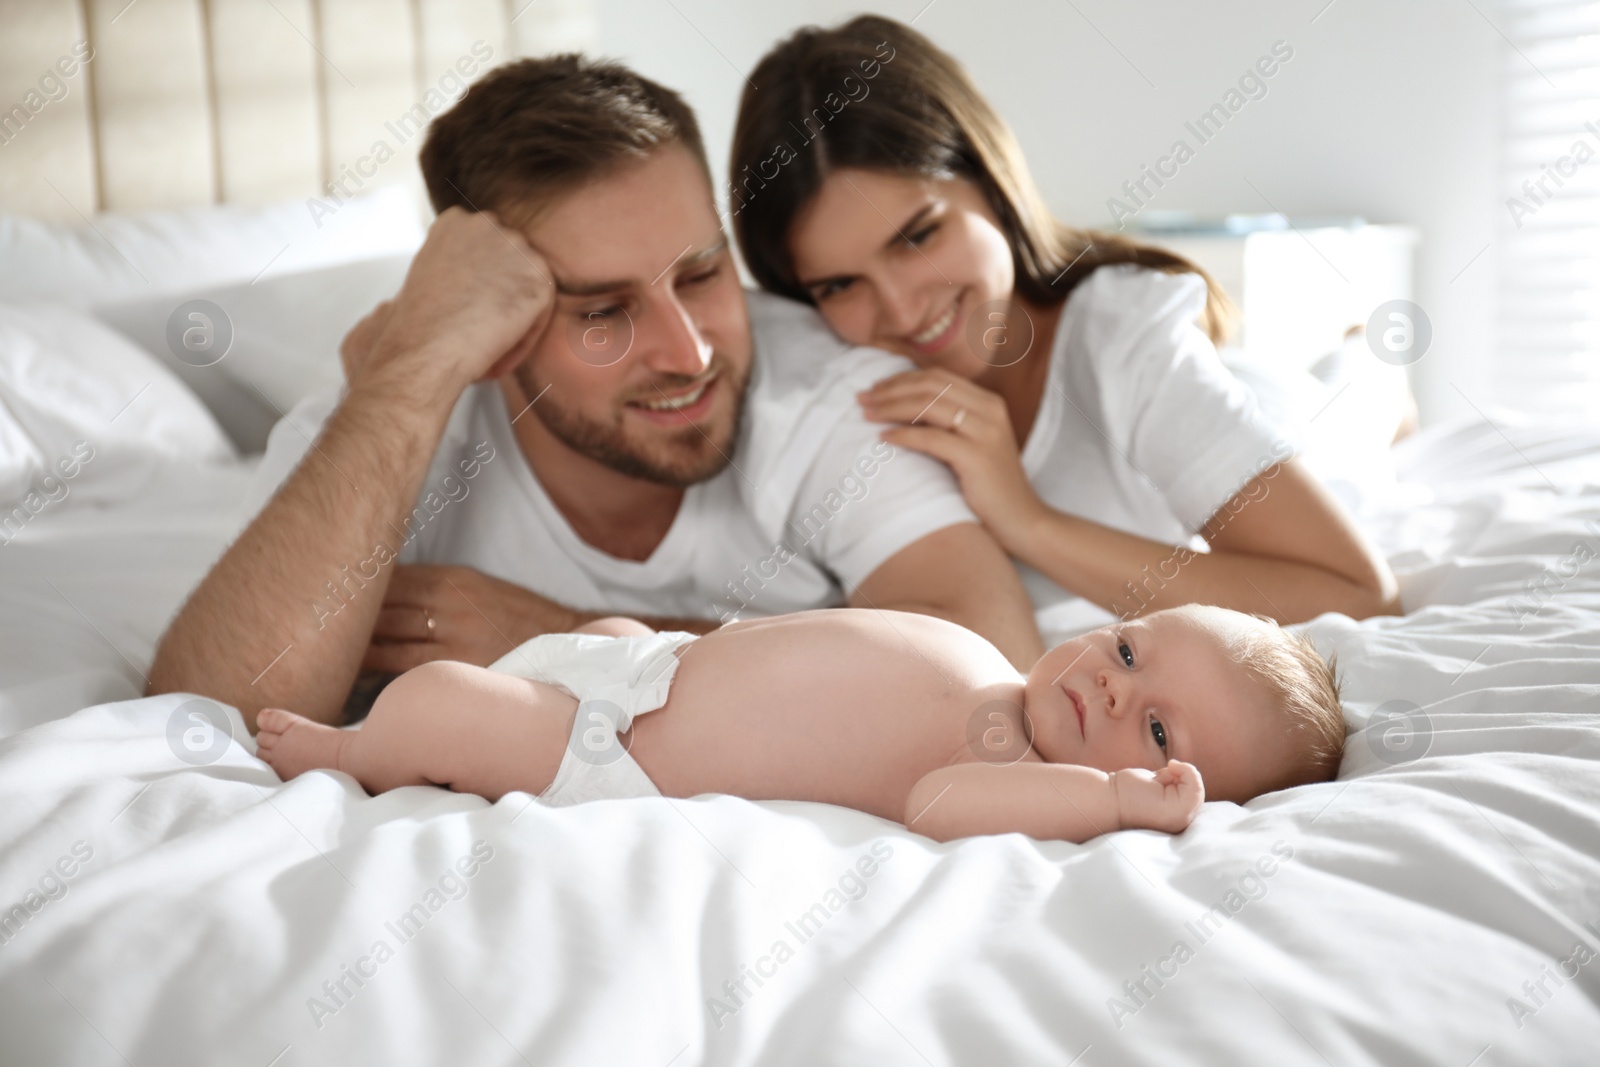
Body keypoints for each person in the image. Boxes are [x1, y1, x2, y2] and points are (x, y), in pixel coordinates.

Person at [146, 56, 1044, 732]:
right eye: (605, 311)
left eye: (699, 275)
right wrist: (412, 372)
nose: (687, 351)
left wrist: (577, 640)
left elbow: (988, 668)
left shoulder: (834, 392)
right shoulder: (389, 422)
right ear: (498, 317)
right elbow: (208, 714)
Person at [727, 16, 1402, 638]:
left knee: (1343, 405)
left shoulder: (1123, 343)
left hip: (1263, 401)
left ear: (989, 178)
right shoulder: (830, 391)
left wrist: (1030, 521)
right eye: (839, 284)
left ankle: (1368, 372)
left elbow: (1360, 596)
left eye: (918, 235)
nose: (902, 311)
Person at [254, 603, 1344, 843]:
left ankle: (349, 748)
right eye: (1126, 649)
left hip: (615, 752)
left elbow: (937, 803)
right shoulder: (999, 674)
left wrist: (1113, 802)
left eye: (1156, 733)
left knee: (443, 698)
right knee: (583, 633)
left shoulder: (998, 759)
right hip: (647, 663)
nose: (1112, 688)